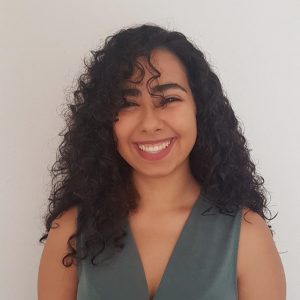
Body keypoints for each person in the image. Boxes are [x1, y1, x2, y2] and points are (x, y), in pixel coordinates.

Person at [37, 23, 286, 300]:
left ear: (198, 110)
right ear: (104, 119)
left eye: (168, 98)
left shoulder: (246, 234)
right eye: (127, 103)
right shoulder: (70, 231)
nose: (150, 123)